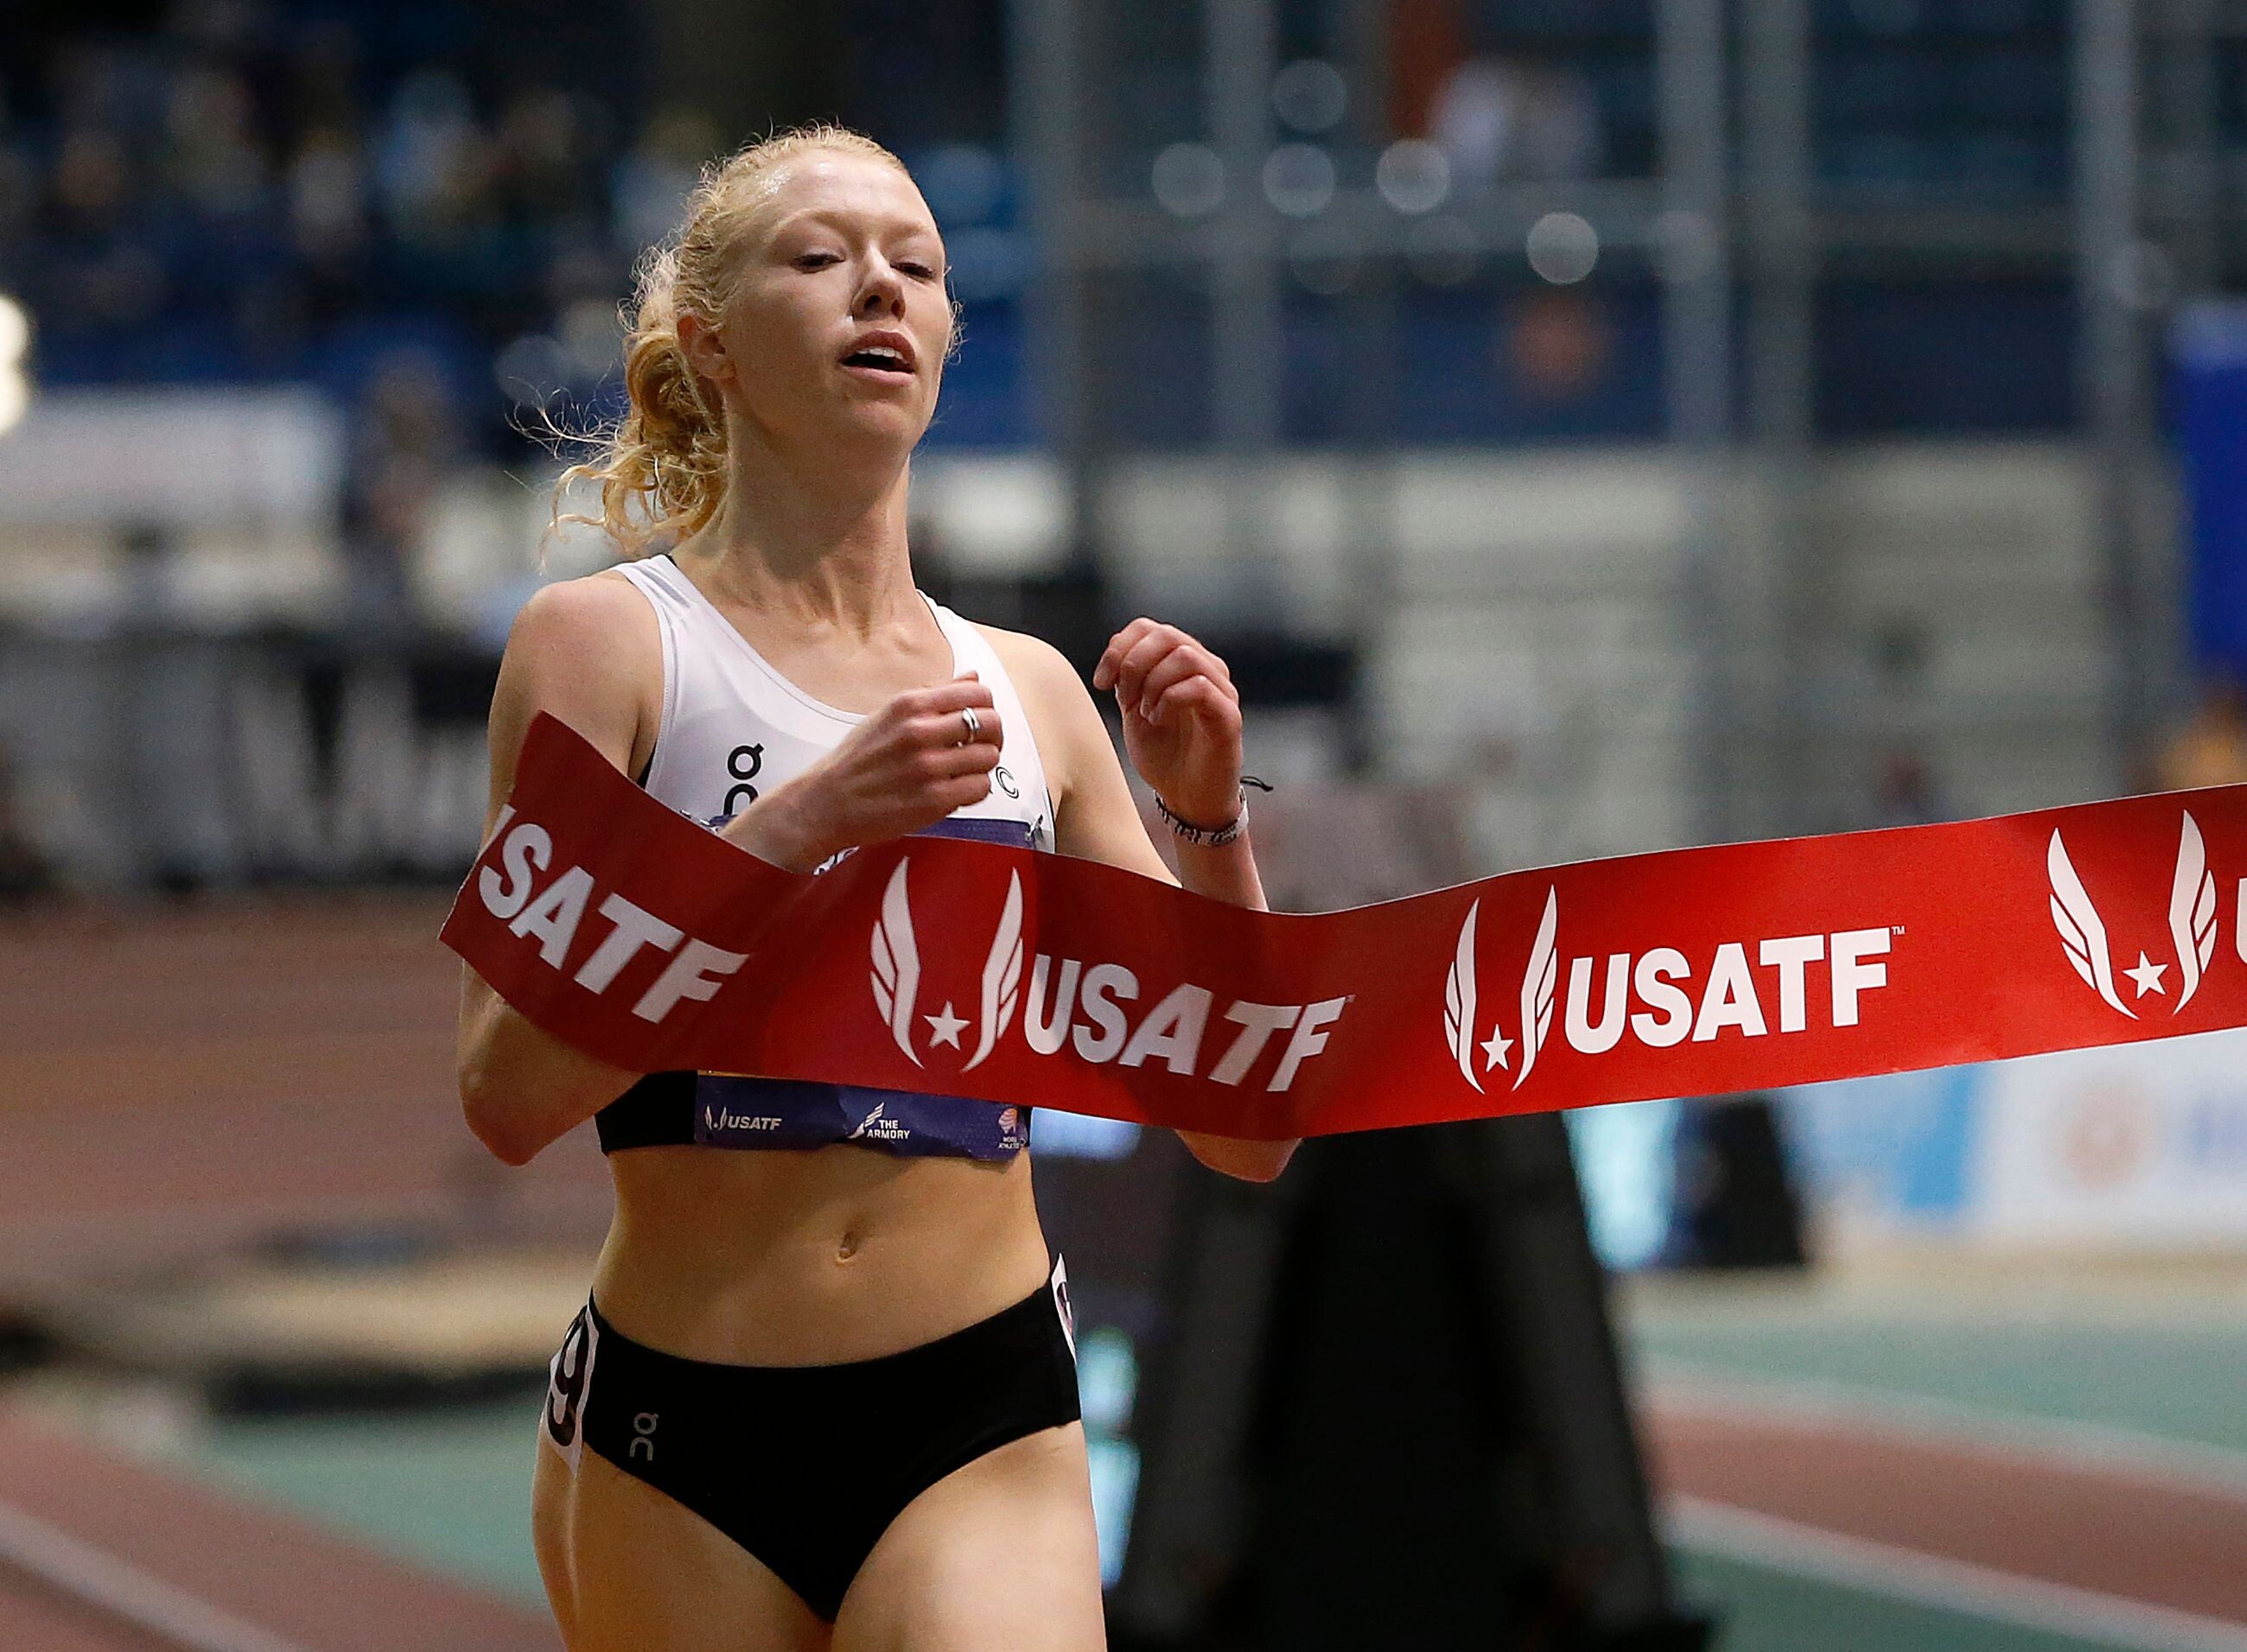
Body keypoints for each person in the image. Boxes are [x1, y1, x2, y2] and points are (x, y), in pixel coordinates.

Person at [455, 123, 1299, 1651]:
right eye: (821, 257)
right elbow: (508, 1093)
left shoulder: (1030, 692)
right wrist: (800, 828)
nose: (881, 290)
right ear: (711, 344)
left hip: (980, 1415)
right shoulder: (604, 650)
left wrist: (1208, 819)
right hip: (679, 1436)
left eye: (916, 264)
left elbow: (1245, 1126)